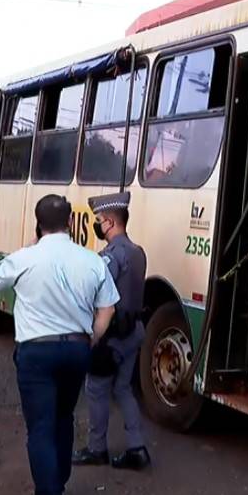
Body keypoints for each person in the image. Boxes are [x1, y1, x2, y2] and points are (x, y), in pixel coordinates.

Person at [0, 194, 119, 495]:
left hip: (36, 353)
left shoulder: (25, 257)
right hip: (77, 350)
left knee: (41, 428)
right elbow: (108, 308)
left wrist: (29, 247)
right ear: (70, 222)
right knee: (64, 417)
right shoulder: (92, 260)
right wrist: (92, 338)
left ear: (38, 223)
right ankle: (57, 485)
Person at [73, 191, 150, 471]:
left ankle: (97, 449)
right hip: (135, 331)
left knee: (96, 388)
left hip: (113, 336)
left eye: (99, 221)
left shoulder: (111, 256)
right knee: (123, 388)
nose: (97, 225)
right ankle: (137, 448)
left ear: (109, 222)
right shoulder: (138, 252)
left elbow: (98, 295)